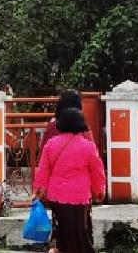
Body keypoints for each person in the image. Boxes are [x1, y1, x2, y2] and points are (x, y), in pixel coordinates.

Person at [33, 108, 105, 253]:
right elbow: (98, 172)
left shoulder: (51, 145)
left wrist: (38, 191)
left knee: (61, 233)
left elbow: (43, 170)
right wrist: (99, 191)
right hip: (79, 197)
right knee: (80, 234)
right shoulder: (88, 147)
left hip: (56, 197)